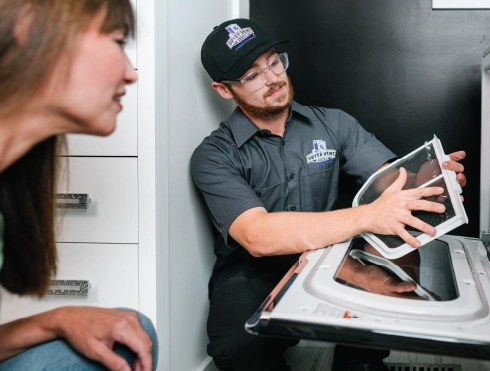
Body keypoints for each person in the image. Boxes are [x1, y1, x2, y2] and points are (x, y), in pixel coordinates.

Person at [191, 19, 467, 371]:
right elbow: (256, 236)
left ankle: (359, 361)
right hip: (254, 269)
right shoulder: (214, 155)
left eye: (274, 62)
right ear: (224, 89)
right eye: (252, 75)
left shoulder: (334, 124)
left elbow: (393, 181)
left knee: (391, 269)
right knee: (235, 346)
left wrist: (432, 176)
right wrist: (369, 215)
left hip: (334, 252)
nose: (273, 78)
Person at [0, 1, 157, 370]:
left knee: (131, 328)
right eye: (118, 41)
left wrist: (57, 318)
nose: (130, 73)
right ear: (29, 31)